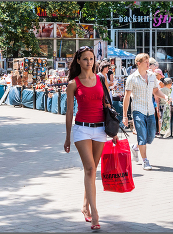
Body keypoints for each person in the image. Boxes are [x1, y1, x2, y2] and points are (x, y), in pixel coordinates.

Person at [64, 46, 118, 230]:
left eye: (91, 58)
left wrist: (114, 132)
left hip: (100, 129)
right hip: (82, 129)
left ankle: (85, 205)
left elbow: (107, 105)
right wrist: (67, 137)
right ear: (78, 61)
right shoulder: (73, 84)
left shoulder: (100, 79)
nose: (89, 62)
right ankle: (95, 213)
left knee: (93, 170)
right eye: (85, 58)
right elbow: (70, 111)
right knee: (89, 168)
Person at [122, 53, 170, 170]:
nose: (149, 64)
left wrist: (165, 96)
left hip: (150, 110)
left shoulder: (152, 76)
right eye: (146, 62)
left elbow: (155, 91)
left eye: (149, 62)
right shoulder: (132, 78)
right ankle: (145, 161)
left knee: (150, 137)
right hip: (138, 110)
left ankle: (135, 147)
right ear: (138, 64)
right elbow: (126, 97)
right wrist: (125, 116)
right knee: (142, 136)